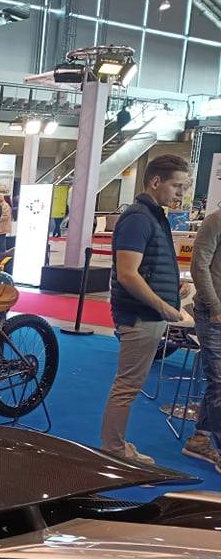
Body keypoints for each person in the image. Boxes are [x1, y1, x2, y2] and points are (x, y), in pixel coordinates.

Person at [101, 154, 190, 464]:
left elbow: (145, 268)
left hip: (147, 313)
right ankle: (113, 451)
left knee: (129, 385)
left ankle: (114, 446)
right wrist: (164, 306)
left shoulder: (152, 215)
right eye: (177, 186)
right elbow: (127, 274)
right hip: (140, 315)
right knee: (127, 386)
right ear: (155, 181)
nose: (181, 194)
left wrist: (170, 289)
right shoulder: (139, 217)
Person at [184, 207, 221, 468]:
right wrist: (215, 307)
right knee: (219, 382)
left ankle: (200, 438)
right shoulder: (215, 221)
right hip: (213, 314)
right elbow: (199, 266)